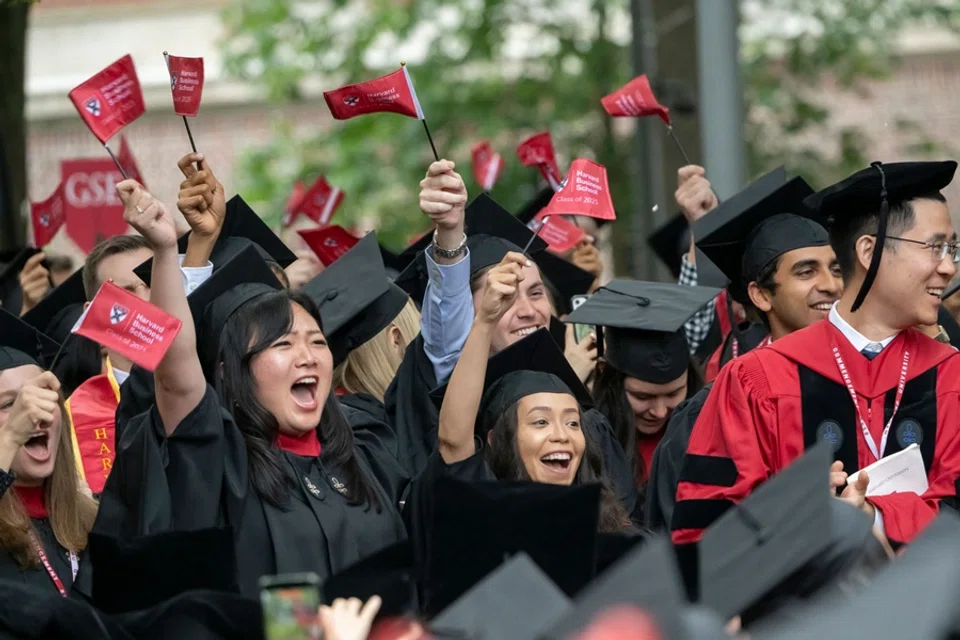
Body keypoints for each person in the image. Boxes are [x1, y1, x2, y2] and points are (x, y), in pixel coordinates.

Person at [87, 180, 408, 597]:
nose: (307, 356)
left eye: (316, 341)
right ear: (230, 370)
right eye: (282, 344)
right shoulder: (218, 464)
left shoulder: (363, 448)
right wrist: (168, 252)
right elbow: (178, 372)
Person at [673, 160, 960, 546]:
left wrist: (874, 517)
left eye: (952, 249)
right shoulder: (756, 380)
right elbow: (705, 533)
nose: (948, 268)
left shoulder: (952, 377)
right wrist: (789, 507)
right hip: (796, 607)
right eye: (936, 247)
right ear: (868, 250)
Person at [394, 168, 638, 516]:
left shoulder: (587, 418)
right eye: (504, 296)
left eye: (536, 292)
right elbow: (446, 337)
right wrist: (449, 237)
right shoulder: (451, 403)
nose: (528, 311)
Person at [646, 174, 841, 531]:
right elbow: (692, 538)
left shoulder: (882, 382)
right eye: (807, 271)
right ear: (761, 296)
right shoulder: (711, 410)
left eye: (836, 269)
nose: (830, 285)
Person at [434, 253, 631, 532]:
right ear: (494, 439)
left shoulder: (612, 533)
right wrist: (485, 321)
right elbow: (453, 442)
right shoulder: (484, 516)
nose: (562, 435)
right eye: (541, 421)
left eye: (573, 423)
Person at [563, 281, 719, 517]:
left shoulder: (710, 431)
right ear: (605, 372)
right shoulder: (589, 442)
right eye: (643, 396)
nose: (659, 411)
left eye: (674, 393)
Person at [0, 310, 98, 595]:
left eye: (44, 396)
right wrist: (10, 438)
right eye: (9, 405)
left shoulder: (92, 520)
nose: (35, 412)